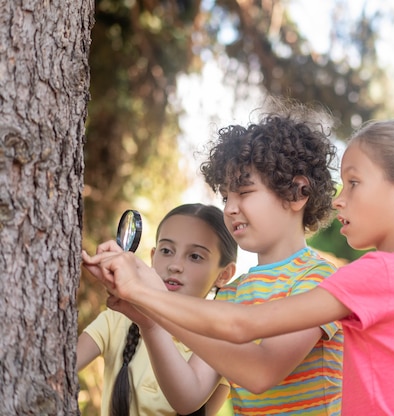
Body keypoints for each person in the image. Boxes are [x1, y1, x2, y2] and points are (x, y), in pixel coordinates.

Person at [85, 104, 344, 415]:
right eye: (225, 197)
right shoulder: (232, 294)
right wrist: (150, 321)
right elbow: (188, 396)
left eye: (244, 192)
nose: (230, 208)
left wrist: (146, 294)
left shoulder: (320, 280)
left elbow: (261, 372)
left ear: (298, 193)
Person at [77, 203, 238, 416]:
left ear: (224, 274)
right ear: (152, 257)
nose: (175, 265)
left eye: (195, 256)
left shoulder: (219, 339)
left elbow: (186, 401)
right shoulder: (117, 321)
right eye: (166, 251)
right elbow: (53, 370)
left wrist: (150, 323)